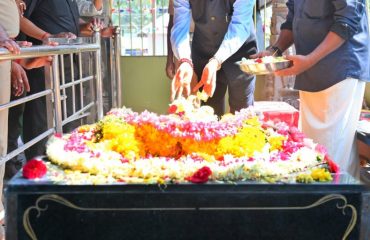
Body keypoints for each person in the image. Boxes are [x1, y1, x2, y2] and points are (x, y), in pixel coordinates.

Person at [253, 0, 370, 178]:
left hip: (341, 67)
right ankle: (323, 201)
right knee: (313, 149)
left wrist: (310, 59)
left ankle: (337, 203)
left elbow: (347, 20)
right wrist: (275, 50)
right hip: (309, 68)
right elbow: (293, 17)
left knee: (333, 153)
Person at [170, 0, 257, 117]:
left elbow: (240, 25)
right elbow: (180, 25)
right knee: (207, 113)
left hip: (240, 51)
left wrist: (216, 61)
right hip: (204, 49)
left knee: (242, 113)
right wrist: (185, 60)